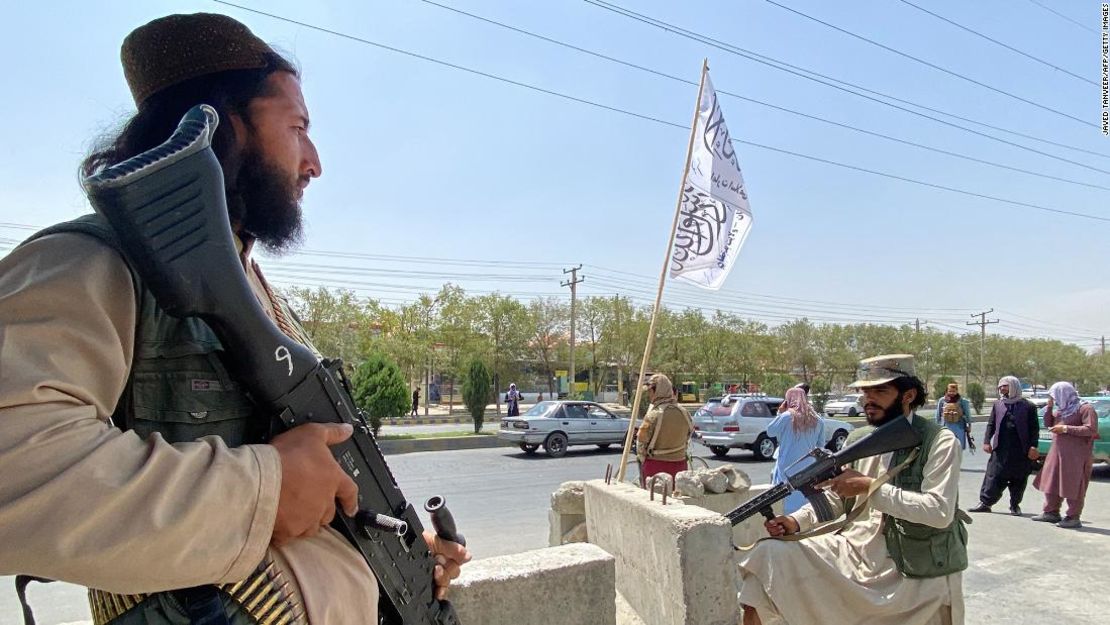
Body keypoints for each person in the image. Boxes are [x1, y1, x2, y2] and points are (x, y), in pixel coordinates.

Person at [0, 13, 468, 625]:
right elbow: (17, 465)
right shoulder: (89, 262)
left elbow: (315, 497)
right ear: (224, 127)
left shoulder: (249, 288)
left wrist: (401, 553)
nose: (315, 161)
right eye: (297, 127)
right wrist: (263, 490)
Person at [738, 354, 967, 625]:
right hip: (855, 549)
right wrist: (795, 521)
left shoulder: (939, 442)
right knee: (766, 559)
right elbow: (837, 497)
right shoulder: (861, 440)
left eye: (880, 391)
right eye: (865, 392)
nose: (868, 400)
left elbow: (939, 511)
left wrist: (869, 487)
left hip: (908, 565)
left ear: (908, 395)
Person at [968, 376, 1039, 516]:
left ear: (1013, 386)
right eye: (1000, 386)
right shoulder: (998, 404)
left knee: (1019, 478)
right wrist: (987, 441)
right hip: (1000, 449)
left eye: (1004, 386)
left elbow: (1034, 428)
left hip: (1020, 450)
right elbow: (991, 424)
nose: (1001, 389)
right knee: (993, 476)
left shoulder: (1028, 406)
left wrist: (1033, 446)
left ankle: (1015, 506)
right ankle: (985, 503)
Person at [1032, 381, 1099, 528]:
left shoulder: (1085, 409)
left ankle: (1073, 517)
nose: (1054, 399)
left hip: (1076, 456)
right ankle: (1051, 512)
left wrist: (1066, 429)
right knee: (1052, 482)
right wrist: (1049, 407)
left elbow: (1091, 429)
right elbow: (1048, 422)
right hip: (1057, 453)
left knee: (1073, 485)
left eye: (1055, 396)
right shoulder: (1062, 410)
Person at [766, 386, 824, 514]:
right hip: (808, 465)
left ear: (788, 401)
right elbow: (820, 445)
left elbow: (770, 432)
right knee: (803, 494)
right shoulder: (818, 419)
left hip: (787, 464)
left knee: (786, 494)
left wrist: (780, 413)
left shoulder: (786, 416)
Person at [636, 373, 695, 483]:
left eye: (650, 391)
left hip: (656, 469)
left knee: (655, 499)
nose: (649, 395)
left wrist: (642, 458)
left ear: (656, 391)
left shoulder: (653, 415)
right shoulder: (684, 412)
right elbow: (689, 434)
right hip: (680, 468)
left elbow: (641, 443)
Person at [935, 382, 973, 451]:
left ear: (957, 391)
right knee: (946, 448)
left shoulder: (962, 401)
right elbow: (938, 414)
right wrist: (937, 426)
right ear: (947, 391)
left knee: (958, 448)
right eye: (950, 391)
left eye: (954, 391)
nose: (952, 393)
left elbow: (967, 414)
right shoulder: (942, 400)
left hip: (959, 427)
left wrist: (969, 425)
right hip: (946, 427)